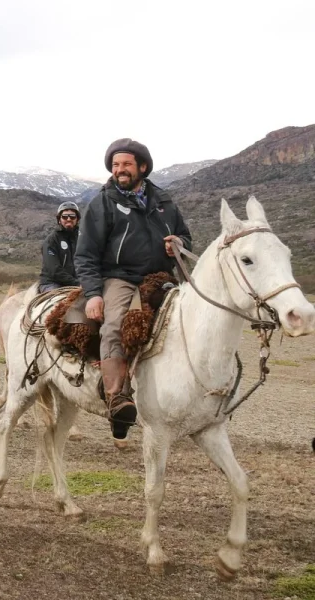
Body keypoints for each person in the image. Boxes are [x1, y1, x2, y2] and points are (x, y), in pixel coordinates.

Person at [74, 138, 192, 439]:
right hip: (120, 277)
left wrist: (178, 244)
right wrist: (93, 293)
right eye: (115, 165)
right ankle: (117, 397)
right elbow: (86, 253)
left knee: (188, 321)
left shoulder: (164, 202)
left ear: (142, 167)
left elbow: (185, 238)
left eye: (126, 164)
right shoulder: (102, 202)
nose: (120, 170)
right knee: (114, 326)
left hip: (160, 276)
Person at [38, 201, 80, 293]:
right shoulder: (51, 240)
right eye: (65, 216)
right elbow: (53, 269)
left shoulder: (83, 238)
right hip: (53, 283)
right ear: (59, 219)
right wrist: (76, 283)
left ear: (77, 219)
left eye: (72, 216)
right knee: (59, 305)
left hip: (77, 282)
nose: (69, 219)